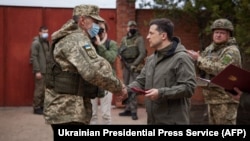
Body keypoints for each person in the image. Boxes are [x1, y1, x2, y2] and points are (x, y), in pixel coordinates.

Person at [43, 4, 125, 129]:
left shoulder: (68, 37)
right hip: (69, 110)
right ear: (82, 20)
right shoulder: (77, 40)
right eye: (95, 21)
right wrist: (118, 87)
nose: (97, 26)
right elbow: (93, 71)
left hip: (64, 109)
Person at [119, 18, 196, 124]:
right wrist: (127, 90)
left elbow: (189, 88)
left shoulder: (181, 58)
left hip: (173, 121)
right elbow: (141, 81)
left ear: (163, 36)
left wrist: (161, 93)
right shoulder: (151, 59)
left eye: (151, 33)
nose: (147, 37)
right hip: (153, 120)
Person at [187, 18, 242, 124]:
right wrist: (192, 59)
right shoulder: (210, 49)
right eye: (216, 32)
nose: (218, 35)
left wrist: (199, 59)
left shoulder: (231, 51)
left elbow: (221, 69)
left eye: (222, 33)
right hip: (212, 98)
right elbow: (200, 68)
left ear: (229, 35)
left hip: (225, 99)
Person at [90, 21, 118, 124]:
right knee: (92, 114)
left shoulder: (112, 44)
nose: (100, 32)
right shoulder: (89, 43)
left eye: (102, 29)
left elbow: (111, 58)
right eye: (97, 29)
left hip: (107, 82)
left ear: (106, 31)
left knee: (106, 115)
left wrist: (100, 45)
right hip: (92, 81)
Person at [118, 20, 147, 120]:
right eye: (130, 27)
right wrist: (120, 56)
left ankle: (134, 111)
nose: (132, 28)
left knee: (133, 89)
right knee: (126, 88)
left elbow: (142, 53)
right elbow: (120, 50)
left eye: (134, 27)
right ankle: (128, 109)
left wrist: (134, 65)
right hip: (126, 66)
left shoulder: (139, 39)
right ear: (127, 28)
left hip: (135, 67)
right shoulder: (124, 39)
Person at [30, 26, 50, 115]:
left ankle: (42, 106)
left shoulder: (46, 42)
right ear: (40, 32)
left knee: (44, 90)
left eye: (47, 32)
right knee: (39, 89)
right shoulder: (36, 43)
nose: (46, 34)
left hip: (46, 70)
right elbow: (34, 57)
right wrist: (37, 70)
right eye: (44, 32)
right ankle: (36, 107)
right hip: (40, 70)